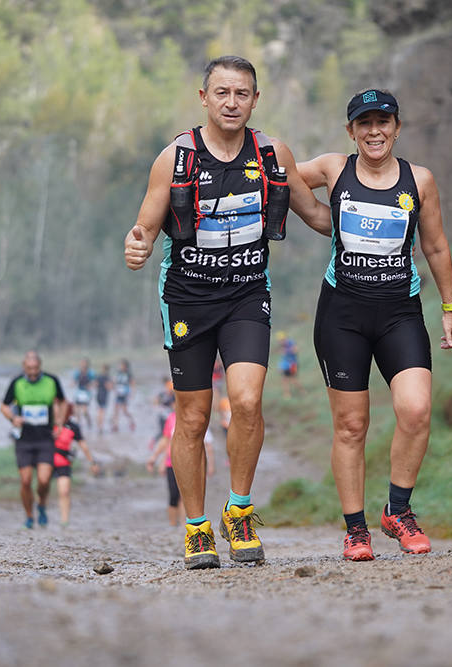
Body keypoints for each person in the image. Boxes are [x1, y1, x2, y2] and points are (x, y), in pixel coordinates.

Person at [124, 55, 331, 569]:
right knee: (192, 417)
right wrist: (137, 245)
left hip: (245, 295)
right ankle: (196, 529)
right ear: (204, 98)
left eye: (242, 94)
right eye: (222, 92)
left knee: (247, 400)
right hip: (187, 299)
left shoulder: (272, 153)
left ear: (255, 100)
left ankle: (238, 512)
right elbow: (145, 228)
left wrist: (374, 200)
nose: (232, 102)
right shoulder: (174, 158)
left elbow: (318, 216)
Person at [297, 89, 452, 561]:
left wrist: (450, 307)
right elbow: (280, 177)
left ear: (397, 126)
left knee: (415, 410)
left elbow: (434, 246)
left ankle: (398, 510)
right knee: (352, 424)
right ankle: (355, 530)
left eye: (383, 121)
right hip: (342, 315)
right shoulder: (333, 168)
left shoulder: (420, 180)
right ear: (351, 131)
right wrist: (316, 217)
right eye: (364, 123)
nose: (374, 131)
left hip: (399, 312)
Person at [0, 350, 66, 529]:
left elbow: (62, 401)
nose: (33, 372)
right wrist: (13, 418)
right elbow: (4, 406)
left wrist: (59, 422)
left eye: (36, 368)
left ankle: (42, 505)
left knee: (44, 480)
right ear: (24, 366)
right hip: (24, 439)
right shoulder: (17, 383)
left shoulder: (51, 381)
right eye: (29, 368)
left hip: (45, 438)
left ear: (40, 366)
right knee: (26, 481)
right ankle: (29, 516)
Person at [147, 410, 216, 527]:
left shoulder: (199, 417)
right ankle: (173, 524)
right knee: (173, 495)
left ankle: (185, 524)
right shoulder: (172, 418)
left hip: (192, 464)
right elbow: (166, 441)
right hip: (172, 462)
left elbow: (208, 445)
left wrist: (211, 465)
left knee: (186, 495)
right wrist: (156, 459)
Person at [52, 404, 100, 527]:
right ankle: (41, 513)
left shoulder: (73, 427)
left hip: (64, 463)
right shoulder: (48, 424)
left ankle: (64, 520)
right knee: (42, 489)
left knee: (64, 491)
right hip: (47, 462)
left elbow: (83, 446)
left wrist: (92, 462)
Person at [111, 358, 136, 432]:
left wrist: (132, 393)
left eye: (121, 365)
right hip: (118, 394)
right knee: (116, 410)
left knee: (125, 411)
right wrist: (114, 388)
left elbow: (132, 384)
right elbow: (114, 381)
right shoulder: (118, 373)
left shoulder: (128, 374)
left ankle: (132, 422)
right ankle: (115, 426)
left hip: (125, 394)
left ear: (125, 366)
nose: (120, 366)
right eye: (120, 365)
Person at [72, 358, 96, 428]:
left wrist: (91, 385)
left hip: (86, 393)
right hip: (79, 392)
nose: (83, 365)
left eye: (84, 363)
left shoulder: (91, 372)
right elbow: (74, 381)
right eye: (82, 363)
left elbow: (94, 382)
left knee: (85, 411)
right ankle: (78, 425)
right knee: (77, 410)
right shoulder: (77, 372)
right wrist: (72, 384)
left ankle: (89, 422)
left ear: (87, 364)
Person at [276, 331, 300, 398]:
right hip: (285, 365)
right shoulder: (281, 346)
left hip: (293, 364)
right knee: (284, 380)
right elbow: (282, 356)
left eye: (282, 339)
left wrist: (287, 351)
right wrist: (280, 367)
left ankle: (301, 391)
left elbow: (296, 350)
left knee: (294, 379)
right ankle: (287, 394)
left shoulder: (290, 342)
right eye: (279, 340)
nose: (281, 341)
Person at [95, 363, 111, 435]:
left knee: (99, 411)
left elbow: (95, 385)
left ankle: (98, 426)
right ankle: (100, 427)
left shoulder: (99, 376)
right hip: (104, 395)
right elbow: (108, 387)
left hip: (98, 395)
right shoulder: (107, 377)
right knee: (102, 412)